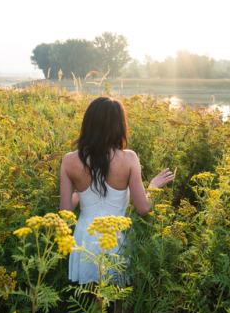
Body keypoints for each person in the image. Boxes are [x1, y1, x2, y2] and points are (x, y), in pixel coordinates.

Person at [60, 96, 174, 284]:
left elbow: (65, 213)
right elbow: (143, 208)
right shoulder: (129, 158)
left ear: (88, 123)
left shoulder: (69, 160)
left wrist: (79, 195)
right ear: (119, 126)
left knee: (94, 296)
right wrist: (152, 187)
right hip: (117, 236)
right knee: (118, 298)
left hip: (86, 236)